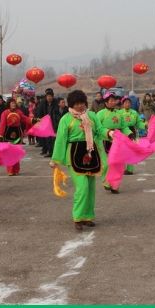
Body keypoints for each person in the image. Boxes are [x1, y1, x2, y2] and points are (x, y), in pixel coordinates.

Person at [50, 90, 111, 231]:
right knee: (82, 187)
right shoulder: (65, 119)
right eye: (76, 104)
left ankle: (88, 216)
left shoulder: (91, 116)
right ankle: (78, 217)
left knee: (90, 187)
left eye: (82, 103)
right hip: (74, 153)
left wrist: (109, 133)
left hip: (90, 153)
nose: (80, 106)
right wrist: (55, 159)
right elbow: (60, 140)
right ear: (71, 104)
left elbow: (99, 130)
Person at [96, 92, 131, 193]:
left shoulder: (119, 113)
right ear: (106, 102)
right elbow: (98, 128)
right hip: (104, 141)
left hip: (117, 141)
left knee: (117, 164)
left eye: (114, 100)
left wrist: (129, 133)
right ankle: (106, 181)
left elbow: (123, 126)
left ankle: (115, 185)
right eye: (110, 100)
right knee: (107, 164)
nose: (112, 102)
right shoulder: (100, 114)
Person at [0, 98, 34, 176]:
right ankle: (10, 170)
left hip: (17, 134)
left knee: (16, 152)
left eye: (14, 103)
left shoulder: (19, 112)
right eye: (12, 103)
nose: (13, 104)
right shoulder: (5, 113)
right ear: (9, 104)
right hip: (8, 134)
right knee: (9, 153)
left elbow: (25, 119)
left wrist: (34, 120)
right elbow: (2, 125)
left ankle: (16, 169)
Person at [119, 96, 146, 175]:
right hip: (122, 132)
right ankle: (121, 168)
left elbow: (139, 123)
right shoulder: (119, 113)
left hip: (133, 132)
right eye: (125, 103)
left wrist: (145, 125)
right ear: (122, 104)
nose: (127, 104)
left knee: (131, 151)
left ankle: (130, 170)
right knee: (123, 151)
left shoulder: (134, 113)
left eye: (129, 103)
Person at [35, 88, 58, 157]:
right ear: (46, 97)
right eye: (48, 96)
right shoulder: (43, 103)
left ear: (53, 96)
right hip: (45, 123)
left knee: (53, 139)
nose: (49, 98)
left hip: (54, 123)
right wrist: (40, 120)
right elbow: (39, 112)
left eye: (50, 96)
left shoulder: (56, 103)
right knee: (47, 138)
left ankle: (52, 152)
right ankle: (48, 151)